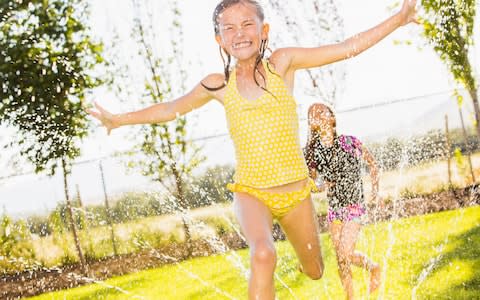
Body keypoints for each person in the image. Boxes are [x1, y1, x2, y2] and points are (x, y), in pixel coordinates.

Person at [89, 1, 417, 298]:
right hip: (251, 191)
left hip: (295, 193)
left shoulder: (282, 64)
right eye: (228, 28)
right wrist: (119, 120)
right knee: (263, 254)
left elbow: (345, 48)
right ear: (219, 39)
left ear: (264, 31)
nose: (239, 33)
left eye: (247, 24)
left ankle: (306, 261)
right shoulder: (217, 84)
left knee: (315, 271)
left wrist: (398, 19)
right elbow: (168, 109)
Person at [304, 103, 384, 299]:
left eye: (322, 111)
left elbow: (373, 165)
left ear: (332, 118)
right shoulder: (313, 152)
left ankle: (374, 268)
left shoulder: (350, 142)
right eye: (313, 114)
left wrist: (376, 192)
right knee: (341, 261)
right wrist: (322, 186)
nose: (318, 114)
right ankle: (350, 297)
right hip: (335, 209)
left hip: (354, 205)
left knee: (345, 254)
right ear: (311, 124)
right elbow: (311, 183)